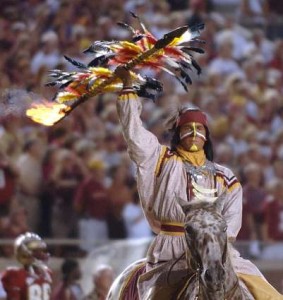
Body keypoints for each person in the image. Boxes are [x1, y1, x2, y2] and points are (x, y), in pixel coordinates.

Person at [113, 66, 283, 299]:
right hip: (170, 252)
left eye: (199, 128)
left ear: (207, 135)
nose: (193, 133)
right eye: (187, 128)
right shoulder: (161, 159)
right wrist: (129, 91)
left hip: (216, 251)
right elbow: (134, 136)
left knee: (266, 293)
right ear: (177, 133)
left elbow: (232, 223)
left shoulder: (226, 177)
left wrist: (212, 241)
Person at [1, 232, 52, 300]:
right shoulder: (14, 275)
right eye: (37, 251)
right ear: (24, 254)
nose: (42, 254)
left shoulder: (47, 274)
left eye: (42, 251)